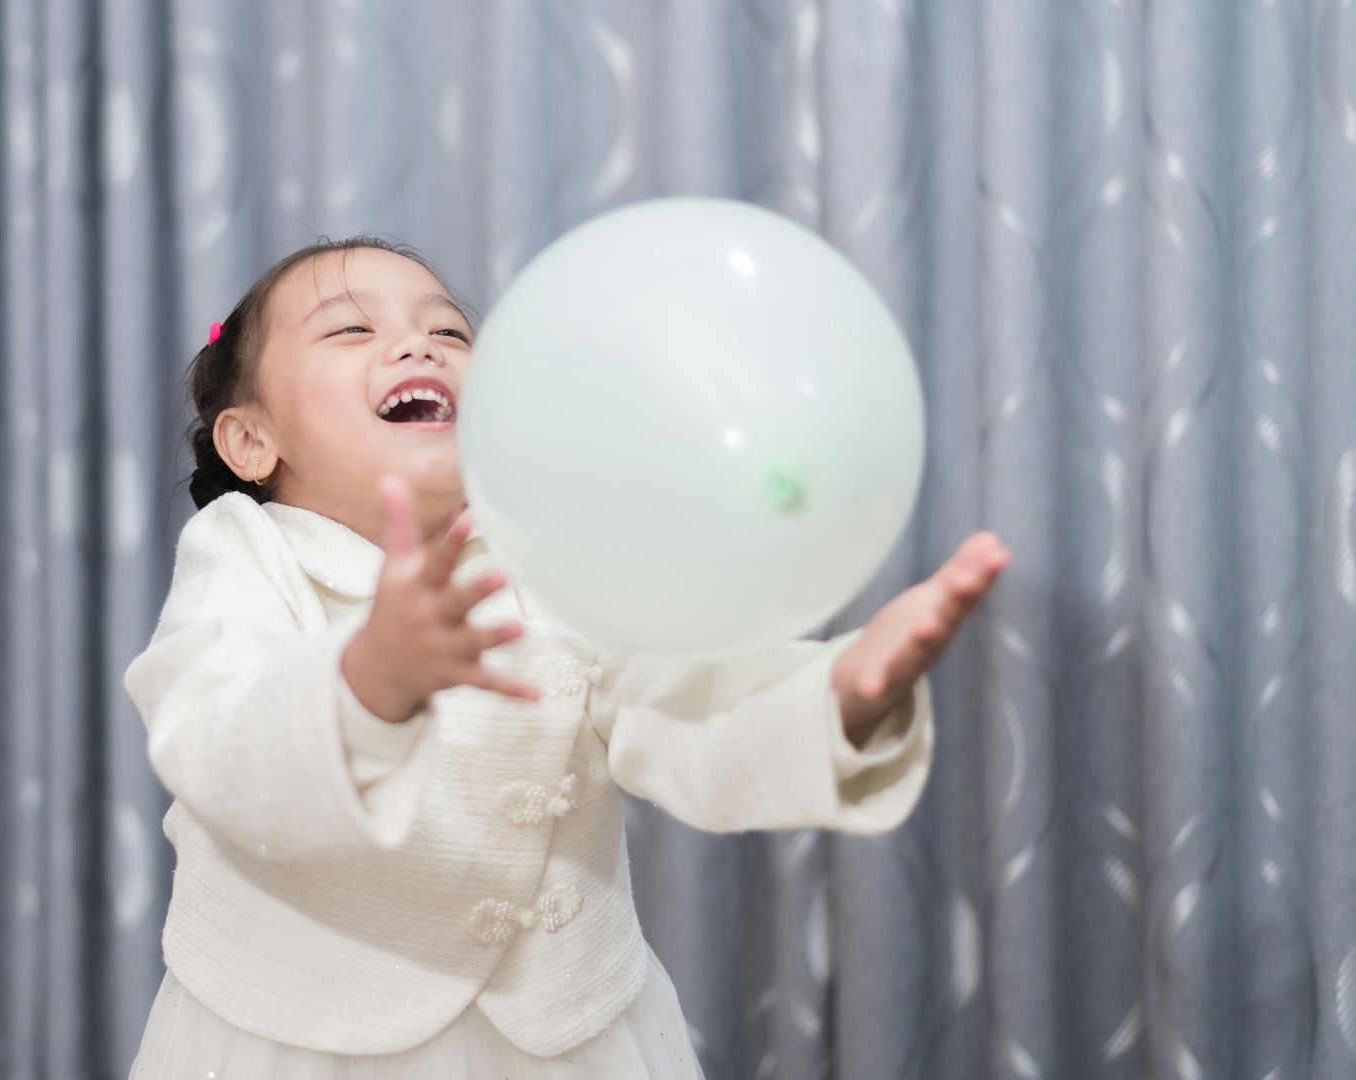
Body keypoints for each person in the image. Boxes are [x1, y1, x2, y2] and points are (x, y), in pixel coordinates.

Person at [122, 237, 1010, 1077]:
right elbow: (212, 736)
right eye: (352, 329)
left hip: (570, 1035)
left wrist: (834, 697)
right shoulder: (245, 555)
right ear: (251, 442)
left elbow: (677, 700)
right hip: (297, 1037)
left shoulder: (549, 552)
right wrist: (367, 684)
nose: (418, 346)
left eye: (449, 332)